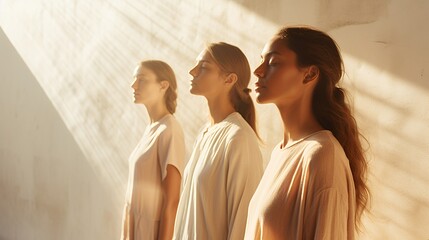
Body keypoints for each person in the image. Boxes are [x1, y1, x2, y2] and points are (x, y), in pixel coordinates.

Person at [245, 26, 370, 239]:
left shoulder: (322, 155)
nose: (258, 71)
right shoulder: (280, 151)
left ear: (310, 74)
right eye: (262, 60)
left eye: (273, 63)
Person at [173, 42, 264, 240]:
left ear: (229, 79)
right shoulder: (205, 133)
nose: (192, 71)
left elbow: (243, 223)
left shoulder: (238, 138)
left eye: (203, 67)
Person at [121, 60, 186, 240]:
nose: (133, 85)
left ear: (163, 85)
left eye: (141, 79)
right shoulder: (152, 129)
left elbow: (172, 201)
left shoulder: (169, 130)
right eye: (134, 79)